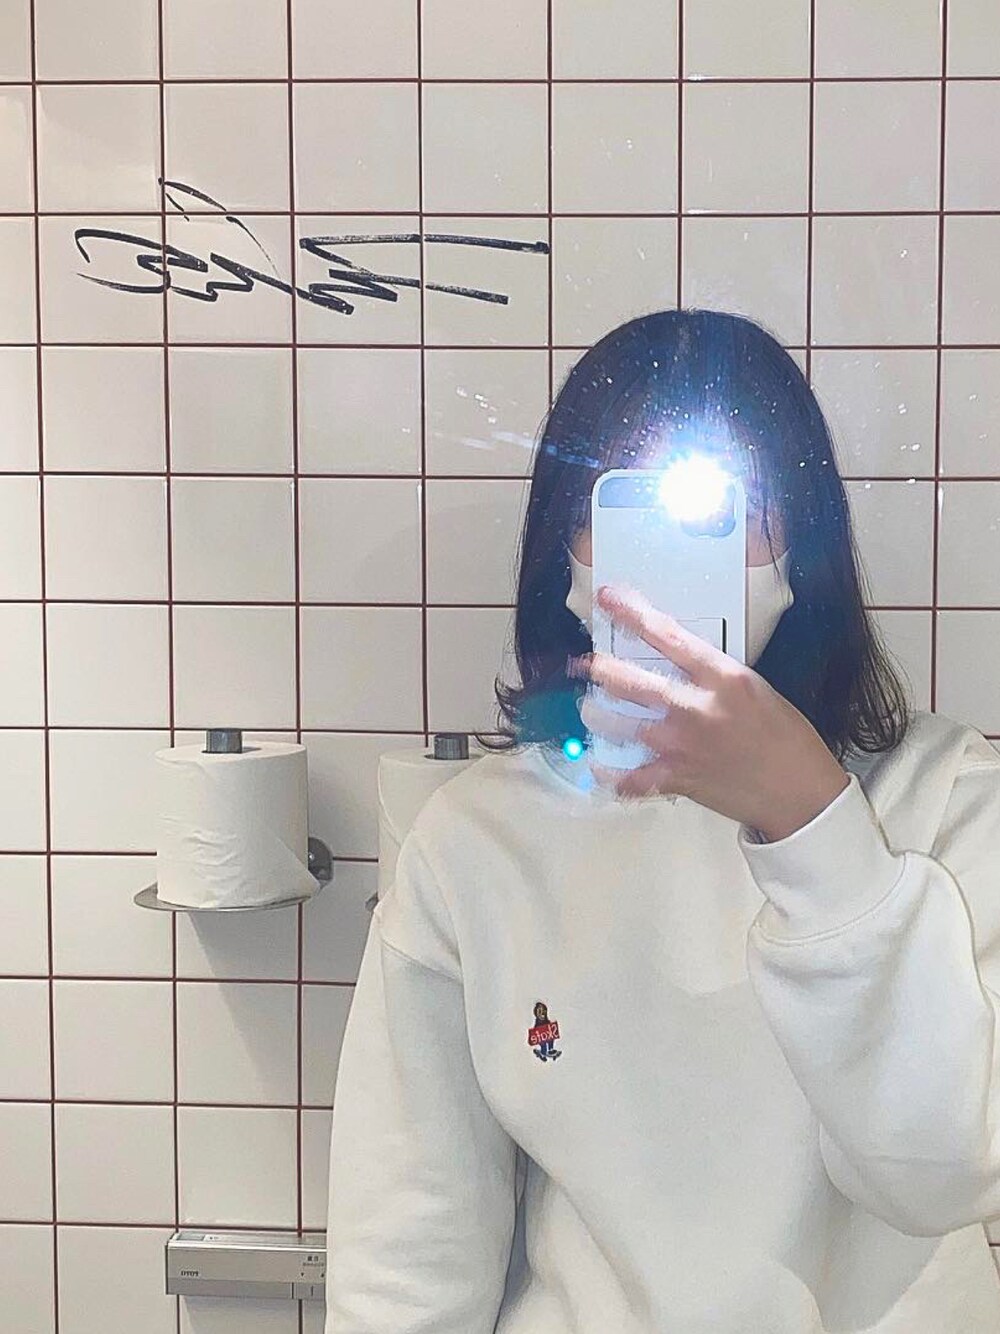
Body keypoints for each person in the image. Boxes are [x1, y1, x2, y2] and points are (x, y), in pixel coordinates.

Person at [323, 309, 1000, 1332]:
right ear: (566, 553)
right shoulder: (475, 841)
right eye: (622, 505)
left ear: (800, 548)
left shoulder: (946, 798)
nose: (673, 557)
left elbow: (943, 1173)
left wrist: (809, 821)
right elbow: (407, 1251)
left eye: (731, 511)